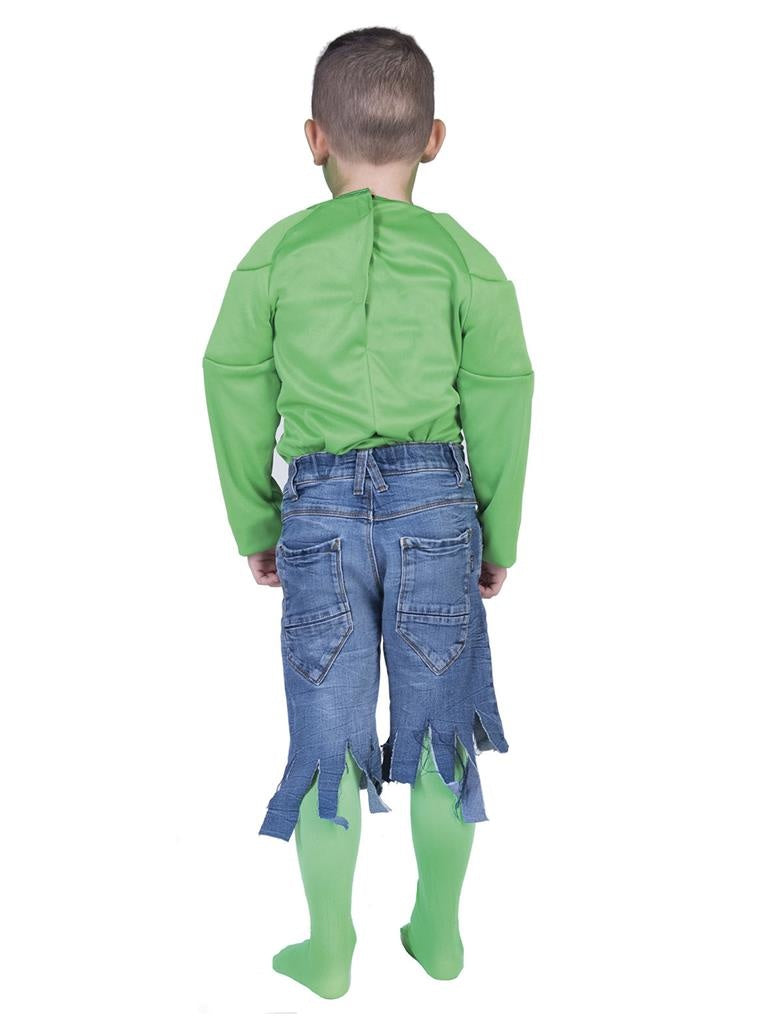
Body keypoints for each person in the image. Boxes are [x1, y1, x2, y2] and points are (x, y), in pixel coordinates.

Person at [202, 25, 534, 1000]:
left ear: (315, 138)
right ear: (433, 139)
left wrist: (255, 520)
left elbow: (231, 379)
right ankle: (439, 932)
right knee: (437, 733)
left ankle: (329, 948)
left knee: (327, 736)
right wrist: (498, 532)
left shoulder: (275, 255)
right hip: (438, 502)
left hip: (318, 511)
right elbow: (503, 392)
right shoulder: (465, 260)